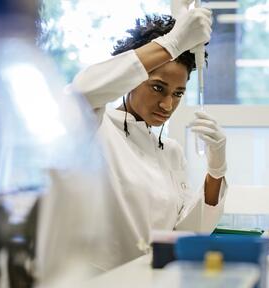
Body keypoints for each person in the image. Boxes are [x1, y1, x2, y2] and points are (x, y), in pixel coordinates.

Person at [69, 5, 228, 268]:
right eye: (157, 88)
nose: (167, 105)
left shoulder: (170, 151)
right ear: (131, 79)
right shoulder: (95, 127)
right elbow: (82, 90)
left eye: (177, 93)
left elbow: (189, 230)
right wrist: (171, 44)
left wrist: (217, 168)